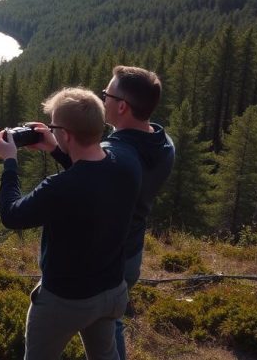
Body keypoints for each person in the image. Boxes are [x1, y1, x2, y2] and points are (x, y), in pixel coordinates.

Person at [0, 87, 141, 360]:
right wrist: (55, 148)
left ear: (65, 134)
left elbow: (11, 215)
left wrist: (10, 162)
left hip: (64, 300)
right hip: (112, 292)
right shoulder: (126, 164)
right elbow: (92, 174)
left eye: (54, 127)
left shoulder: (59, 188)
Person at [100, 66, 175, 360]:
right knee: (112, 320)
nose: (101, 98)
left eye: (106, 94)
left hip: (107, 258)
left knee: (103, 326)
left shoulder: (114, 154)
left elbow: (88, 181)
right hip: (133, 253)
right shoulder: (163, 143)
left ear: (121, 106)